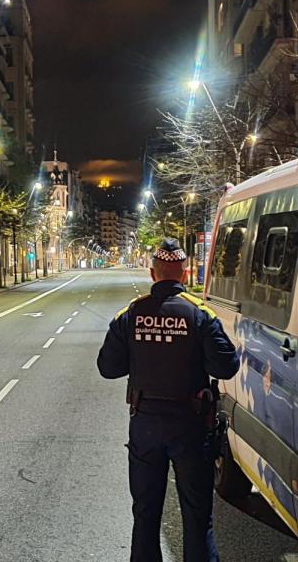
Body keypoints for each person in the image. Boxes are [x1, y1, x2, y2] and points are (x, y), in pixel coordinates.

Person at [97, 238, 240, 562]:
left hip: (145, 424)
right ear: (185, 274)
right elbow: (226, 366)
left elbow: (107, 367)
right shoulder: (199, 315)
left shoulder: (131, 314)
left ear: (152, 273)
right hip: (190, 426)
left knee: (146, 516)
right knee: (196, 515)